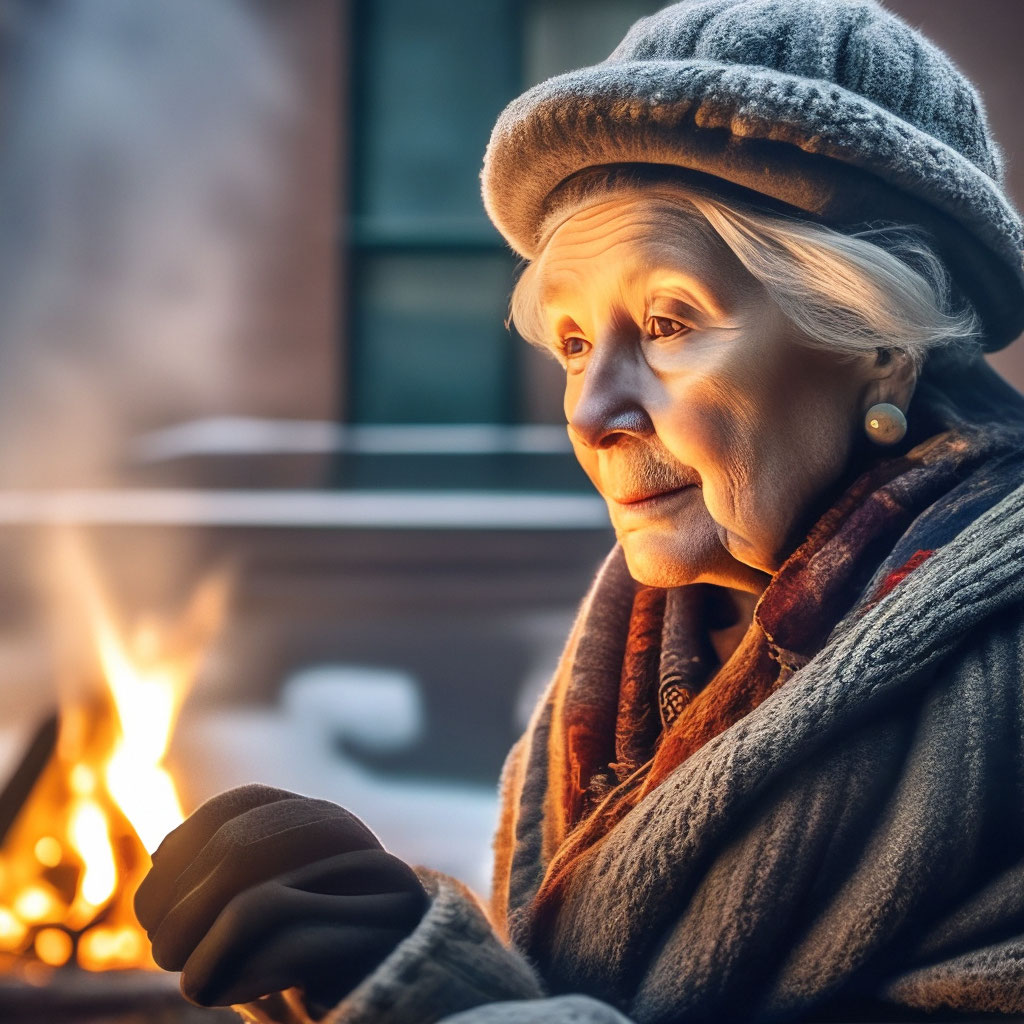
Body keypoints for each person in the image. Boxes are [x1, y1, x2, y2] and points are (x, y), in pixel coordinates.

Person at [135, 1, 1024, 1021]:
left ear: (878, 342)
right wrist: (374, 963)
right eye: (570, 344)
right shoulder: (643, 650)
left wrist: (411, 993)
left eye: (665, 322)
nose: (592, 412)